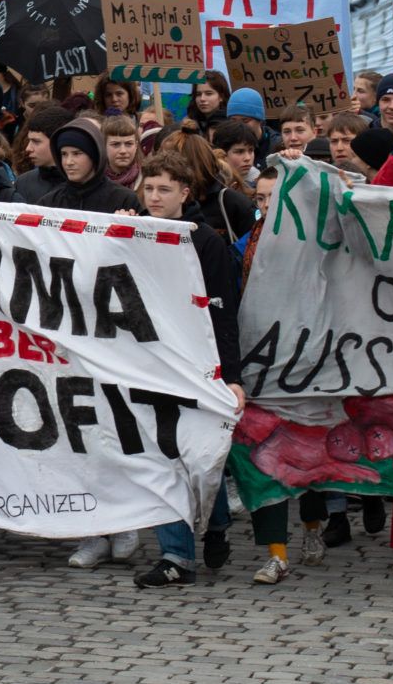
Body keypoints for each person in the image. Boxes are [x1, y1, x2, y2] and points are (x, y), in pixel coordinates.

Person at [130, 151, 244, 588]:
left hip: (198, 365)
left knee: (197, 457)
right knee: (161, 458)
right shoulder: (135, 230)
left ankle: (215, 523)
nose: (154, 197)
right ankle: (175, 554)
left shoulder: (206, 243)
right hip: (147, 365)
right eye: (149, 188)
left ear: (184, 193)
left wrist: (230, 375)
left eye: (163, 190)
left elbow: (222, 312)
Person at [45, 117, 139, 214]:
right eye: (64, 154)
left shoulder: (125, 200)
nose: (69, 162)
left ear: (94, 155)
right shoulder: (49, 202)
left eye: (77, 153)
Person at [12, 105, 75, 203]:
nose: (28, 148)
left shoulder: (82, 184)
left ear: (57, 142)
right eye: (29, 141)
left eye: (36, 142)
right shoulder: (23, 183)